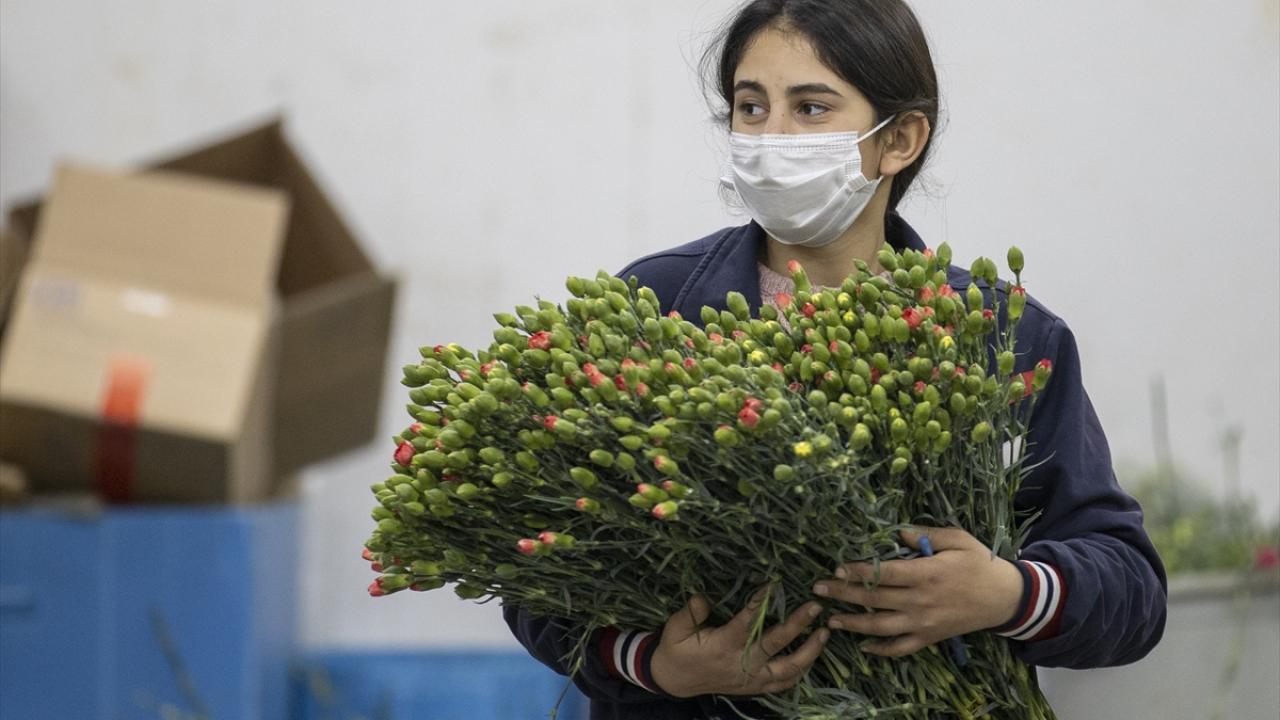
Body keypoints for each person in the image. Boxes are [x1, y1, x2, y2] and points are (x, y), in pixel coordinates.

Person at [504, 1, 1168, 718]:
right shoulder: (650, 312)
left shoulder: (1001, 339)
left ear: (900, 138)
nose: (771, 136)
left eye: (811, 108)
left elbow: (1131, 590)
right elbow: (534, 572)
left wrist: (1006, 593)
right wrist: (658, 665)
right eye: (750, 107)